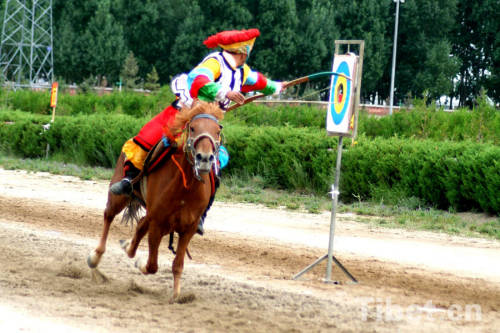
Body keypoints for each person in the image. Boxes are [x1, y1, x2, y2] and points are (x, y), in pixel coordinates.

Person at [110, 28, 286, 234]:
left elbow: (259, 81)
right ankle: (129, 181)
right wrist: (225, 92)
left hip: (209, 124)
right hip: (184, 113)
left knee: (218, 161)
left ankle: (201, 213)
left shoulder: (242, 71)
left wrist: (277, 86)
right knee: (148, 139)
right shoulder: (215, 62)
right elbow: (198, 80)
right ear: (243, 51)